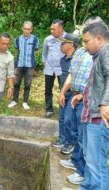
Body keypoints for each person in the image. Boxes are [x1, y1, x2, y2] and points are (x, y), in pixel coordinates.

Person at [79, 21, 109, 190]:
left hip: (99, 119)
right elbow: (98, 84)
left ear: (98, 38)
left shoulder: (106, 51)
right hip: (92, 117)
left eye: (86, 41)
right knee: (90, 160)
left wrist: (105, 103)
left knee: (96, 163)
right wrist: (82, 95)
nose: (84, 46)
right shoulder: (99, 56)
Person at [59, 46, 93, 185]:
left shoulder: (97, 55)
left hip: (84, 99)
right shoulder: (79, 52)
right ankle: (75, 160)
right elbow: (71, 74)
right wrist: (62, 91)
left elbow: (95, 81)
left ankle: (81, 171)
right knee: (69, 123)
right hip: (74, 95)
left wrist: (82, 95)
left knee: (82, 135)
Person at [51, 33, 79, 149]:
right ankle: (62, 140)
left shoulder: (77, 59)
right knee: (62, 118)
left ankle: (70, 143)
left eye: (63, 43)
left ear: (71, 44)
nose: (61, 45)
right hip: (63, 93)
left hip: (73, 94)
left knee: (69, 119)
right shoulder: (63, 60)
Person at [8, 21, 39, 110]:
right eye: (25, 29)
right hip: (19, 64)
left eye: (29, 29)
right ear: (22, 28)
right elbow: (17, 51)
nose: (26, 31)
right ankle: (14, 100)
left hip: (30, 65)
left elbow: (35, 51)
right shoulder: (17, 39)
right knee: (17, 83)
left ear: (31, 29)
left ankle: (25, 102)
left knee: (27, 84)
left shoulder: (35, 39)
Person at [42, 19, 66, 118]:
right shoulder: (48, 39)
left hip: (62, 69)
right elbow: (44, 53)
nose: (51, 31)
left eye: (54, 29)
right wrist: (45, 63)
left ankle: (63, 110)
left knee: (63, 90)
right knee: (48, 90)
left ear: (60, 29)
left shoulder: (67, 39)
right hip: (49, 68)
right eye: (51, 29)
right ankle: (49, 110)